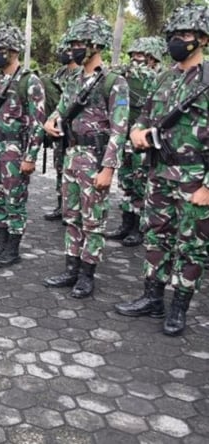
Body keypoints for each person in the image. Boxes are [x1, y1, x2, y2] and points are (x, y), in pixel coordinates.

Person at [115, 3, 209, 336]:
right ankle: (152, 297)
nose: (176, 42)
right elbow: (146, 115)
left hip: (194, 179)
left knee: (192, 245)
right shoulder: (166, 77)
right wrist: (137, 131)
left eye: (184, 36)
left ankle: (179, 307)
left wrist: (207, 186)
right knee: (156, 235)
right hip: (159, 173)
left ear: (202, 39)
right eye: (173, 36)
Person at [43, 15, 129, 298]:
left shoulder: (114, 82)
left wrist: (109, 169)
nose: (75, 49)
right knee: (71, 217)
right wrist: (51, 121)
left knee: (93, 220)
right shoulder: (74, 79)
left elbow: (119, 129)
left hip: (95, 158)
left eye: (80, 43)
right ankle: (71, 268)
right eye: (74, 43)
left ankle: (87, 274)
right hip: (71, 155)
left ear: (96, 44)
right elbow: (62, 108)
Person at [0, 24, 45, 266]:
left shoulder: (29, 81)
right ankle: (0, 243)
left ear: (14, 51)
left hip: (15, 150)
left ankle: (13, 249)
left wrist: (30, 157)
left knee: (15, 199)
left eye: (1, 49)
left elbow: (38, 122)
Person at [106, 38, 158, 247]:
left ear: (152, 59)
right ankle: (126, 223)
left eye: (141, 56)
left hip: (144, 142)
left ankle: (139, 228)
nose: (136, 60)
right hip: (126, 138)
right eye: (133, 55)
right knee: (126, 183)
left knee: (141, 185)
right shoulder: (125, 77)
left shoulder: (154, 78)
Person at [43, 41, 80, 223]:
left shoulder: (82, 74)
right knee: (60, 167)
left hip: (77, 131)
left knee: (76, 172)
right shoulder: (60, 73)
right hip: (60, 129)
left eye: (68, 50)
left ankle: (74, 209)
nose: (65, 53)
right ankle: (61, 204)